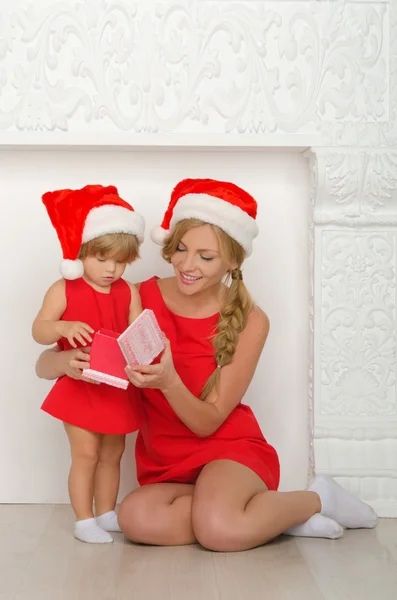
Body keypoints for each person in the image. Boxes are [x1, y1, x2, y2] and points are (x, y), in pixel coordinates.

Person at [35, 178, 378, 552]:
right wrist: (63, 360)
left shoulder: (251, 320)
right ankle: (263, 517)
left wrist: (169, 381)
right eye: (180, 249)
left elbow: (208, 422)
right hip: (165, 461)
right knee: (136, 520)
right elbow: (44, 363)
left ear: (232, 259)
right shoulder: (138, 296)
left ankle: (317, 498)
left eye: (206, 256)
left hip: (228, 450)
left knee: (219, 532)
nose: (187, 264)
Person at [32, 184, 144, 544]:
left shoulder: (129, 292)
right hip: (79, 385)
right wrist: (62, 327)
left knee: (113, 452)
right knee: (86, 452)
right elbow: (39, 331)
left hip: (116, 385)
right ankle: (83, 519)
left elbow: (137, 331)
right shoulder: (64, 288)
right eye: (101, 258)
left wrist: (144, 348)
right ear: (81, 252)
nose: (112, 268)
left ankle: (106, 512)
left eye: (121, 261)